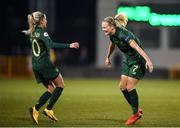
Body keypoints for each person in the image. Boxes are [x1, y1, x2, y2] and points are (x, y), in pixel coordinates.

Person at [22, 11, 79, 125]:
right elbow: (51, 45)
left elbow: (29, 44)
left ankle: (35, 109)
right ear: (41, 20)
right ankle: (48, 109)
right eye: (46, 19)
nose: (47, 21)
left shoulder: (32, 33)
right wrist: (69, 45)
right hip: (45, 65)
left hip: (36, 66)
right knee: (61, 85)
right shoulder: (43, 33)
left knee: (51, 89)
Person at [101, 13, 153, 125]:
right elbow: (112, 45)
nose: (103, 29)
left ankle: (135, 114)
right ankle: (136, 109)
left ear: (112, 26)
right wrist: (108, 57)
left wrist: (148, 60)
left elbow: (137, 47)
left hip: (138, 61)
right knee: (122, 87)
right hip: (128, 60)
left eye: (105, 27)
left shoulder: (124, 34)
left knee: (130, 86)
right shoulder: (112, 35)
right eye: (102, 27)